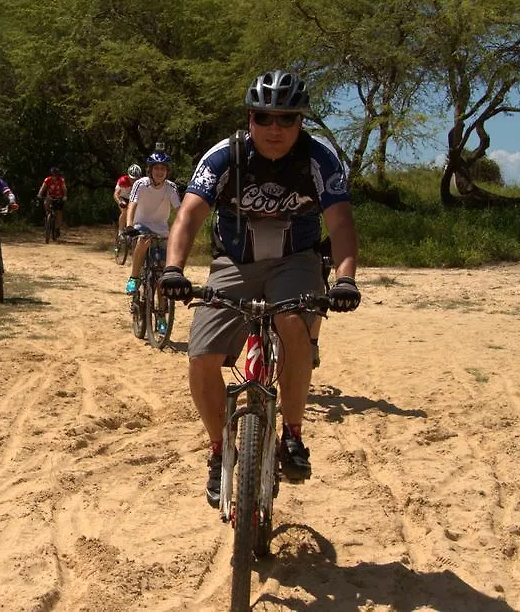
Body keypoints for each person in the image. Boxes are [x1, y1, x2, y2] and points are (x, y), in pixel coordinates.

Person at [158, 70, 361, 509]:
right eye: (265, 117)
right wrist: (173, 269)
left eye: (287, 119)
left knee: (292, 321)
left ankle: (292, 434)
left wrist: (345, 278)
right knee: (201, 355)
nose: (275, 128)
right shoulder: (224, 157)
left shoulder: (319, 160)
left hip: (296, 261)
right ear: (250, 119)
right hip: (235, 262)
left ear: (300, 123)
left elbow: (341, 224)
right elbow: (189, 216)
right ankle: (218, 450)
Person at [124, 145, 181, 297]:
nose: (159, 172)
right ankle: (134, 278)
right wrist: (129, 225)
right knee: (143, 241)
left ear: (167, 171)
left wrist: (183, 229)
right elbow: (132, 205)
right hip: (142, 225)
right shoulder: (140, 184)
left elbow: (180, 211)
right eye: (156, 168)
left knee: (162, 271)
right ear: (150, 170)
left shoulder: (171, 188)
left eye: (163, 169)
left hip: (161, 229)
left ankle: (161, 313)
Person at [37, 167, 68, 238]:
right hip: (50, 196)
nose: (55, 176)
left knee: (59, 212)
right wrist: (39, 194)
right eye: (53, 175)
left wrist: (65, 196)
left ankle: (57, 228)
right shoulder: (47, 180)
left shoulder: (61, 180)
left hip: (59, 197)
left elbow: (64, 188)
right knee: (46, 203)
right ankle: (48, 218)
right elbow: (43, 188)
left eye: (56, 175)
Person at [114, 164, 143, 233]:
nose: (133, 181)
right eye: (132, 179)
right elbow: (116, 194)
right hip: (122, 198)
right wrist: (119, 202)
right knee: (125, 211)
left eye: (136, 179)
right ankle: (120, 232)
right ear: (128, 176)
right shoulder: (123, 181)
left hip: (132, 199)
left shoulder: (142, 182)